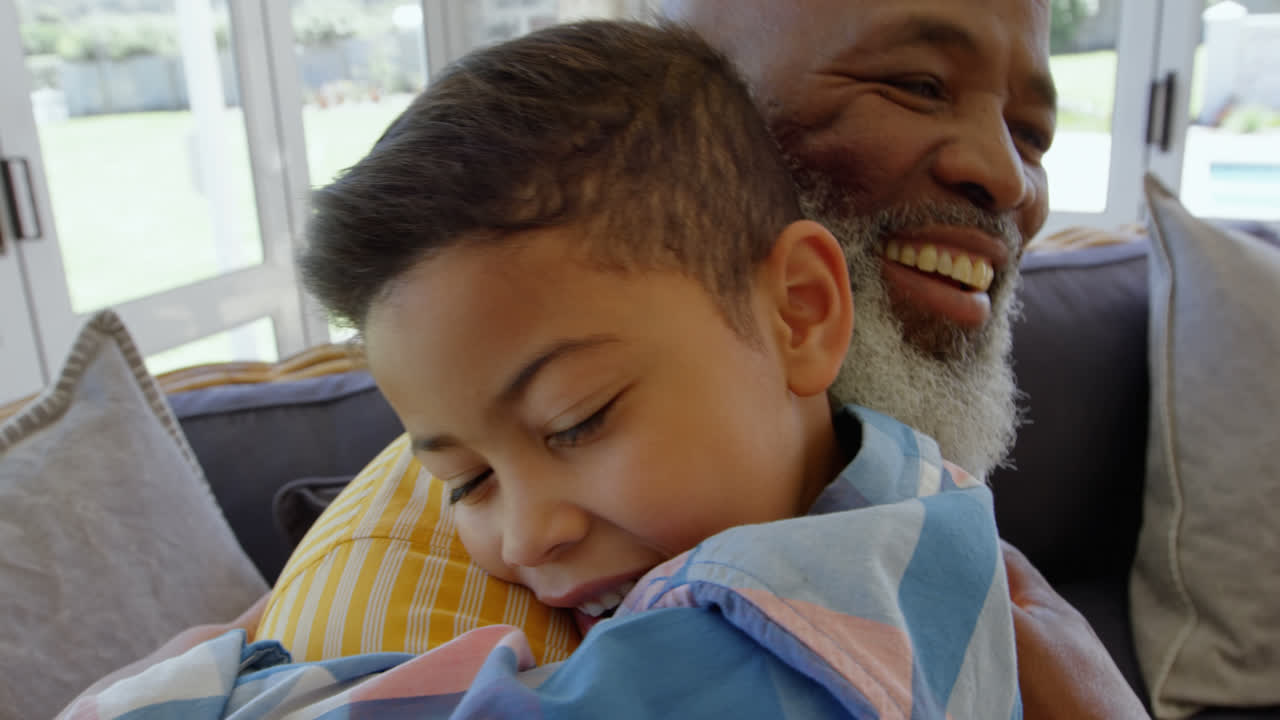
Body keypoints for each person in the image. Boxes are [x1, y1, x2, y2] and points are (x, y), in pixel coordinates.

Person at [62, 20, 1021, 718]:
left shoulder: (784, 632)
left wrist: (188, 682)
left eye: (577, 421)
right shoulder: (908, 495)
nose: (525, 539)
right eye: (465, 480)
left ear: (801, 311)